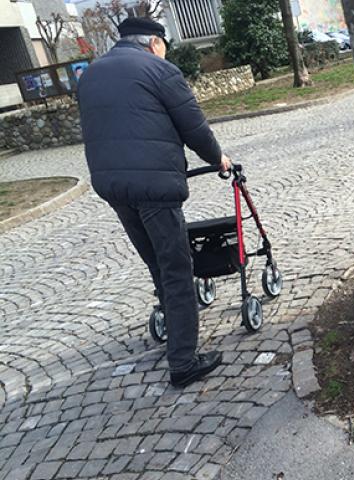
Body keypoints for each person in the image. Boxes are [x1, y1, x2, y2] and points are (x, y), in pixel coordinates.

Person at [77, 17, 229, 388]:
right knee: (177, 268)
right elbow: (194, 127)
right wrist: (217, 158)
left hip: (114, 187)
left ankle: (175, 330)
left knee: (156, 263)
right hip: (154, 186)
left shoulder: (91, 75)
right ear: (155, 42)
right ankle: (183, 362)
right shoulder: (160, 70)